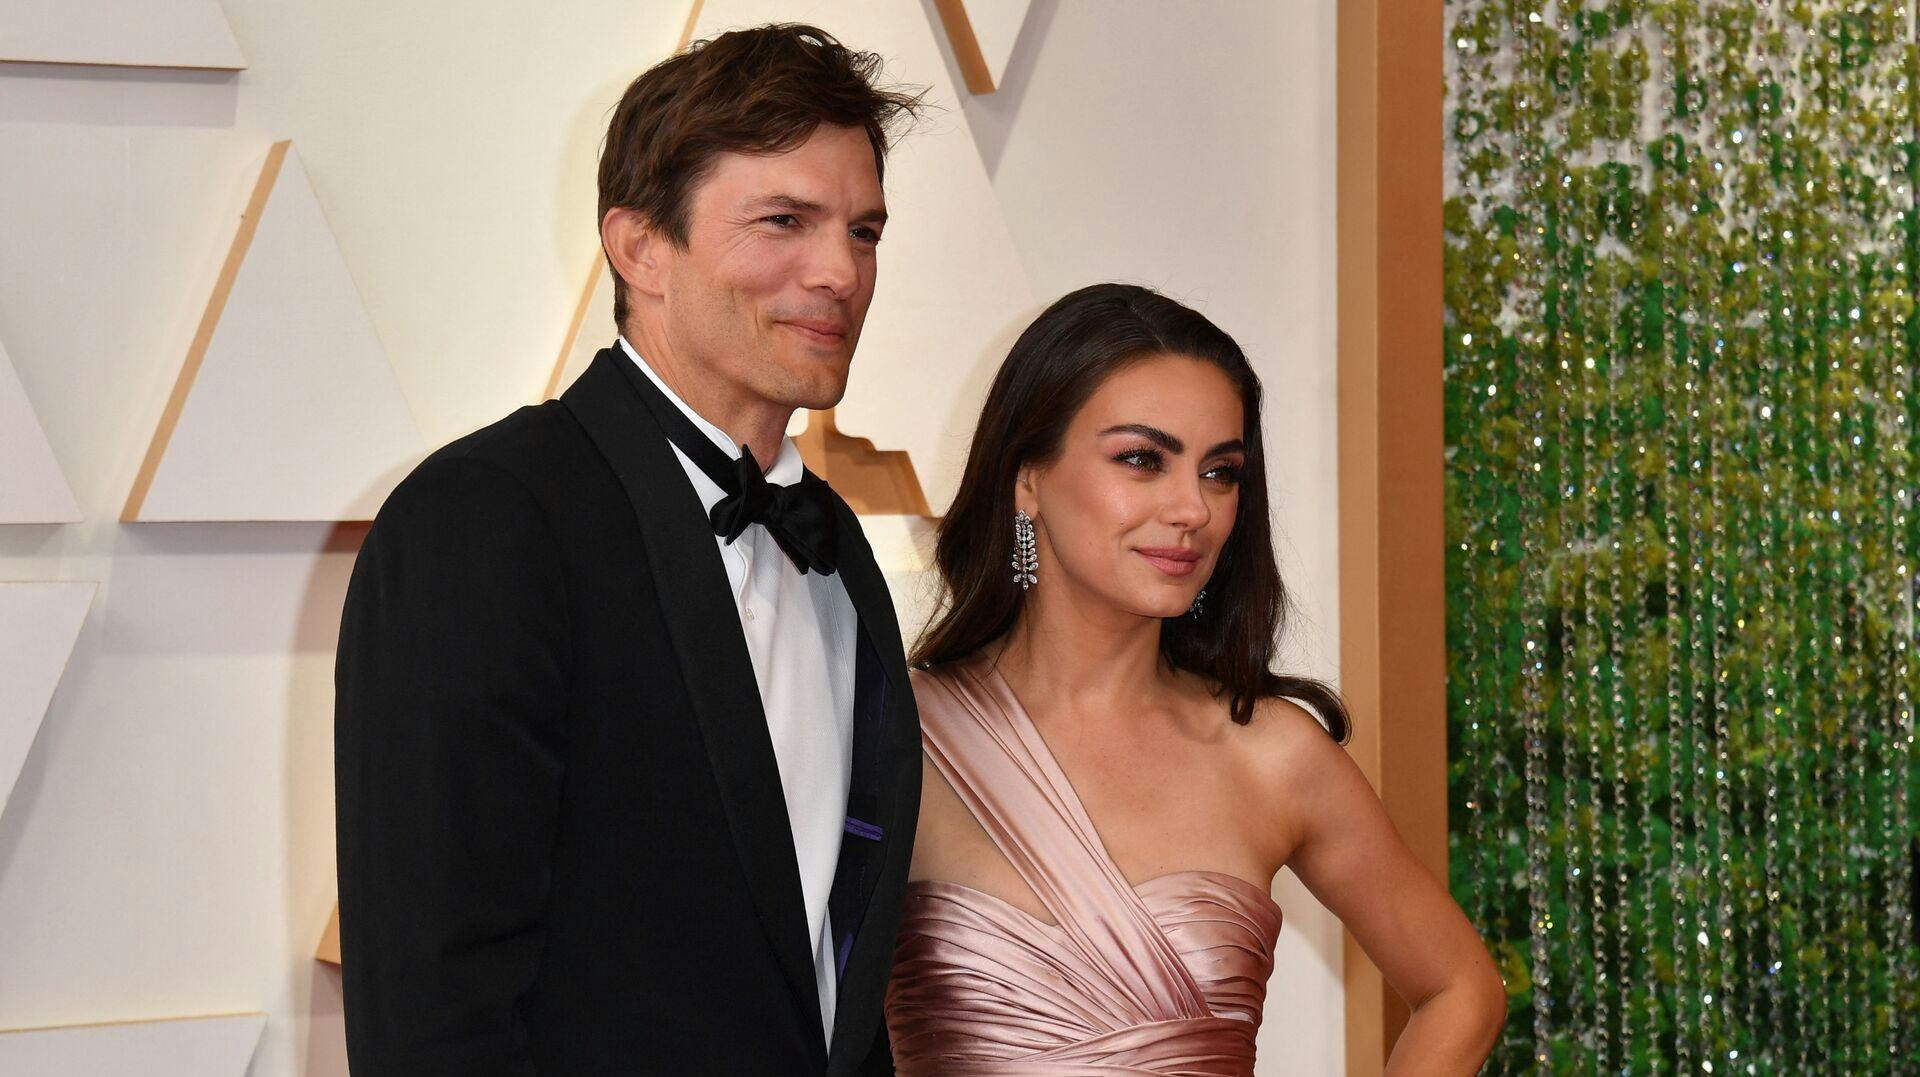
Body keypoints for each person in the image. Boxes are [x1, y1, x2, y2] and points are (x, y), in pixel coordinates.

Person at [334, 25, 924, 1074]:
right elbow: (434, 1007)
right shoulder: (485, 518)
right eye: (784, 220)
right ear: (640, 246)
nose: (841, 271)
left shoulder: (841, 552)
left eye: (865, 231)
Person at [885, 283, 1506, 1074]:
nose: (1193, 508)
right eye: (1143, 459)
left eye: (1221, 471)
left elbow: (1462, 986)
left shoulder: (1271, 753)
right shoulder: (896, 730)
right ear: (1025, 476)